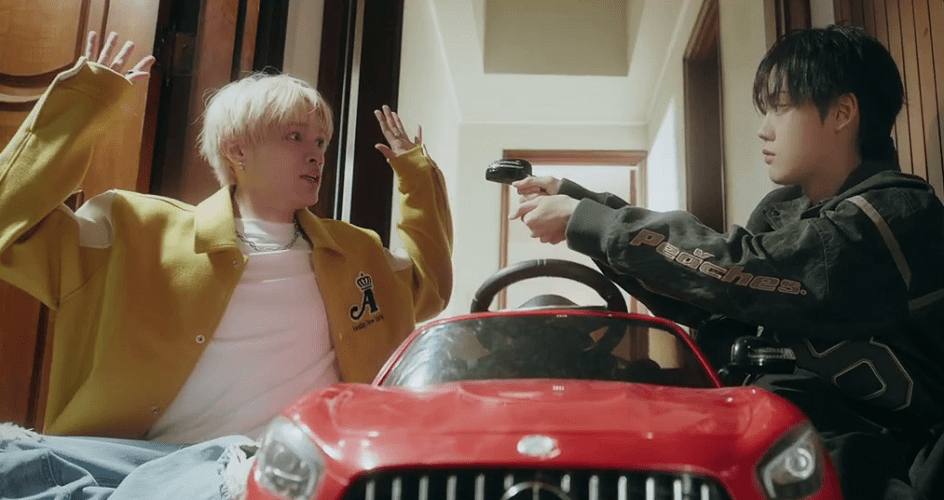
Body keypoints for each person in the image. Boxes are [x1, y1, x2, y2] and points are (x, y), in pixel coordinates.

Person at [0, 30, 452, 499]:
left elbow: (431, 287)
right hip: (133, 460)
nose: (316, 152)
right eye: (295, 136)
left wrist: (416, 175)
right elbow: (8, 222)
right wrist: (82, 103)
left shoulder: (358, 254)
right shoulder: (134, 228)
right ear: (237, 151)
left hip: (253, 469)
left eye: (320, 140)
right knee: (8, 457)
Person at [511, 25, 944, 500]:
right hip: (768, 437)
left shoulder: (894, 214)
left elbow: (744, 270)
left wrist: (592, 220)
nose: (764, 128)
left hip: (863, 460)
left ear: (842, 112)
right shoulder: (785, 210)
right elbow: (712, 297)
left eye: (780, 107)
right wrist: (582, 204)